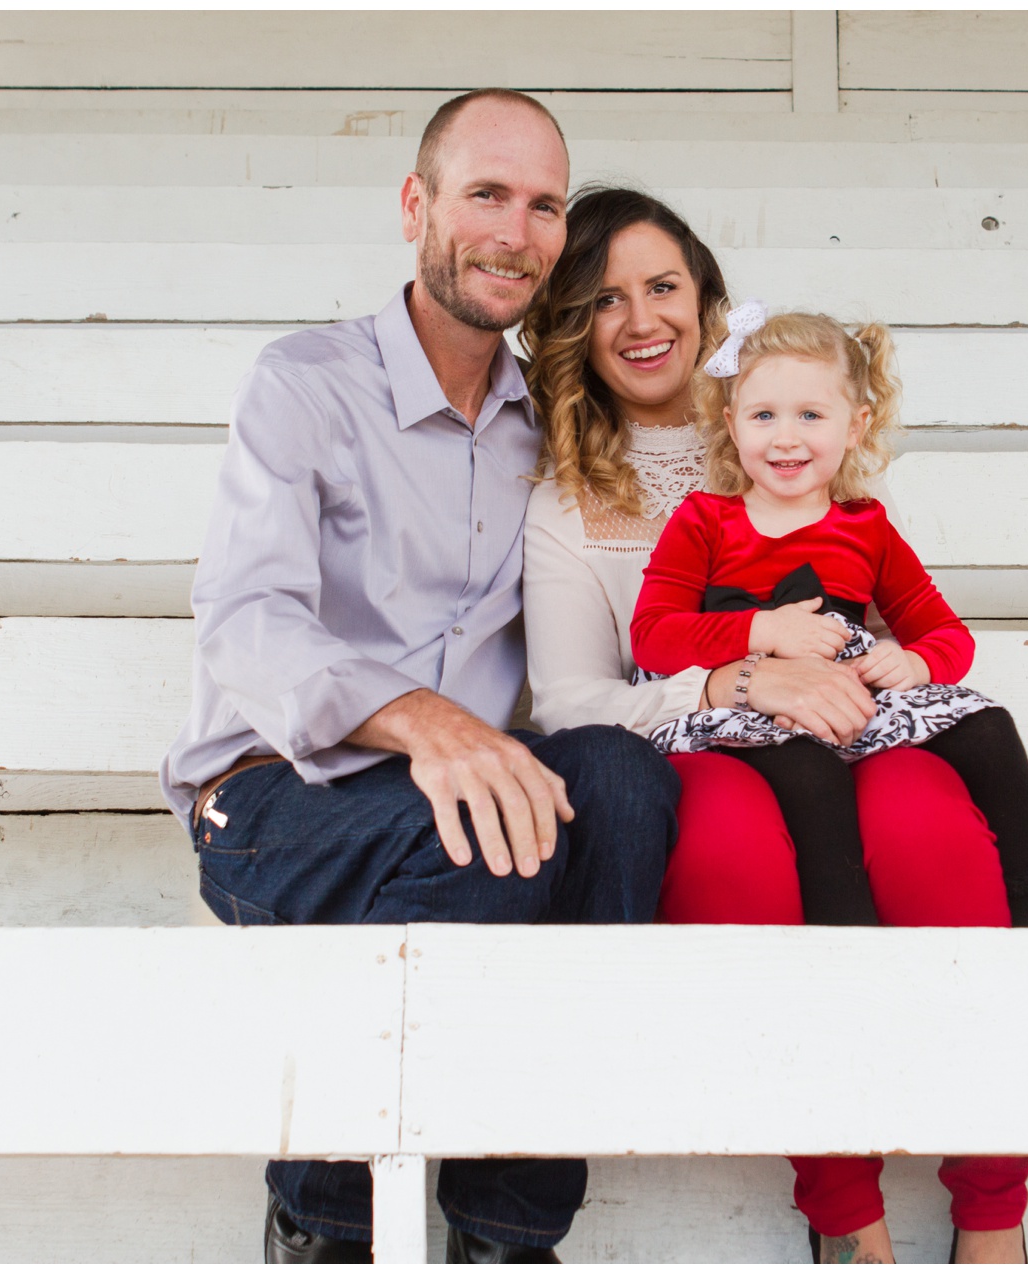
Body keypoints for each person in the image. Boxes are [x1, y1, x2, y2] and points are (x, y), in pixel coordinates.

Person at [161, 92, 681, 1265]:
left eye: (543, 204)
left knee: (618, 777)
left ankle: (508, 1230)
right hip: (272, 796)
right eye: (485, 193)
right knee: (473, 824)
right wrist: (426, 721)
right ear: (415, 205)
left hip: (464, 803)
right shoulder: (306, 382)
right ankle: (329, 1220)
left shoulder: (550, 427)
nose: (517, 229)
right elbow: (245, 620)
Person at [520, 188, 1028, 1265]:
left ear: (707, 301)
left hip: (854, 719)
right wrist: (737, 681)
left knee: (929, 828)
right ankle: (843, 1208)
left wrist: (885, 663)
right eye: (602, 301)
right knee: (734, 851)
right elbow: (572, 698)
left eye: (663, 286)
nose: (640, 318)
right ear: (570, 331)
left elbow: (898, 605)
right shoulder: (565, 500)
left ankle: (992, 1199)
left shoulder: (791, 414)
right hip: (705, 739)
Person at [629, 307, 1028, 934]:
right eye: (764, 415)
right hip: (739, 706)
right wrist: (759, 632)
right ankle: (843, 930)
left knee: (987, 727)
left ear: (855, 426)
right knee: (808, 770)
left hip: (849, 700)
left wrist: (915, 661)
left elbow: (947, 633)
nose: (785, 437)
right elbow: (653, 633)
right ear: (732, 425)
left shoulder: (865, 526)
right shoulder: (705, 520)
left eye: (811, 415)